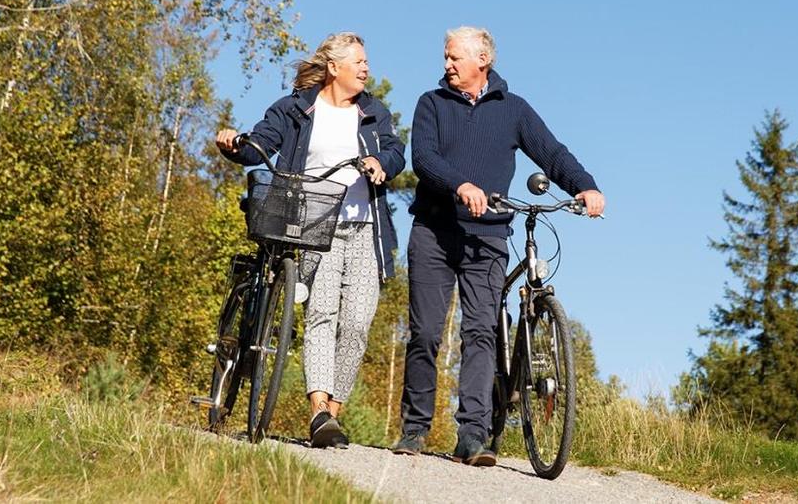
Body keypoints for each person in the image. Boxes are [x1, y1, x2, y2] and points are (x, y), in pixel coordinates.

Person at [392, 26, 605, 465]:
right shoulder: (431, 104)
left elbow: (552, 152)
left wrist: (586, 187)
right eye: (446, 57)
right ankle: (414, 429)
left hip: (488, 235)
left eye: (454, 57)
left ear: (482, 61)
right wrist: (460, 184)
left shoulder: (514, 109)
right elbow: (424, 159)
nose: (446, 64)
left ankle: (473, 435)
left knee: (482, 332)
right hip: (434, 230)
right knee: (427, 333)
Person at [216, 32, 405, 449]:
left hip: (365, 229)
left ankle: (332, 414)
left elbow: (395, 152)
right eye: (358, 60)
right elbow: (260, 145)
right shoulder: (296, 109)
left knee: (357, 325)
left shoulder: (374, 113)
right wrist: (235, 144)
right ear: (334, 67)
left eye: (366, 61)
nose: (366, 68)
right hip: (313, 226)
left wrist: (380, 163)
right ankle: (318, 409)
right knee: (321, 315)